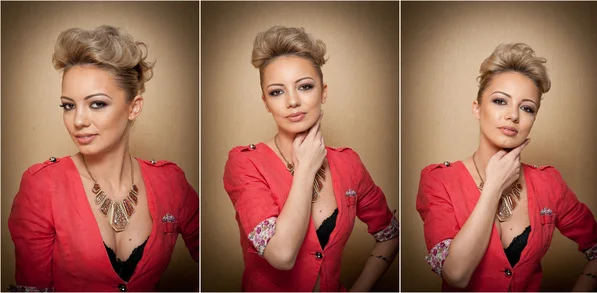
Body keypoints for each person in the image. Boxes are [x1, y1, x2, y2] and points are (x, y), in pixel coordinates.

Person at [7, 25, 199, 292]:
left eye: (97, 103)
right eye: (68, 105)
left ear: (134, 107)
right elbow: (33, 287)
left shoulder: (170, 181)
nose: (78, 120)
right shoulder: (41, 185)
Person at [222, 26, 399, 291]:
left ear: (323, 92)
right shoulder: (245, 163)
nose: (293, 101)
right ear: (265, 102)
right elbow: (281, 255)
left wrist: (360, 289)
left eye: (305, 87)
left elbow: (389, 233)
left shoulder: (349, 163)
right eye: (277, 92)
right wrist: (306, 168)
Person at [416, 43, 597, 291]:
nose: (513, 115)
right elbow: (456, 275)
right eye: (501, 101)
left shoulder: (549, 182)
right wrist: (493, 186)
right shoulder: (438, 180)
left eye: (527, 108)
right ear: (477, 109)